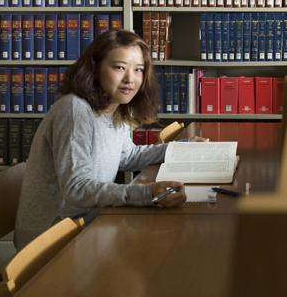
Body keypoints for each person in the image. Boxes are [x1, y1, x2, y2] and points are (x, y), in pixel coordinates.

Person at [14, 29, 205, 250]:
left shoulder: (114, 107)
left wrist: (181, 149)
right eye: (119, 67)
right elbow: (76, 189)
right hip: (54, 238)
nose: (130, 79)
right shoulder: (75, 110)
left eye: (138, 70)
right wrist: (146, 193)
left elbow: (128, 156)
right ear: (95, 68)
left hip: (90, 220)